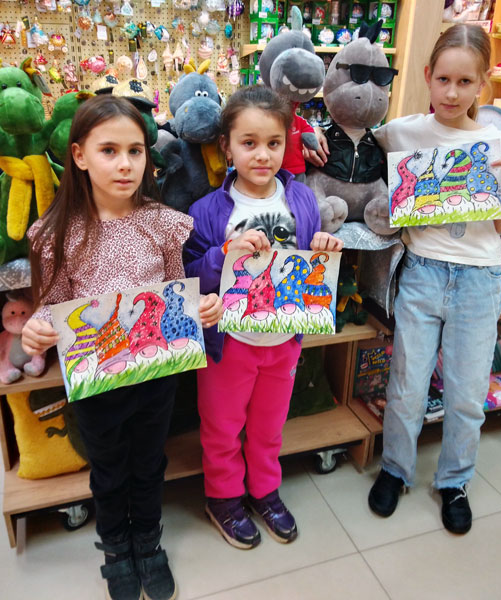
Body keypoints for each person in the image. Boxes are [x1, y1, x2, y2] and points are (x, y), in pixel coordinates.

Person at [21, 94, 223, 600]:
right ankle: (116, 548)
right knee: (109, 469)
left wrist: (200, 308)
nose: (126, 164)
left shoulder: (160, 222)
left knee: (150, 462)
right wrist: (37, 330)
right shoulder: (61, 233)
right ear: (79, 155)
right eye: (109, 151)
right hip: (98, 384)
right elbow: (52, 305)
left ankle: (148, 543)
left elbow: (175, 290)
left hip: (156, 374)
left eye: (135, 151)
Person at [368, 24, 501, 534]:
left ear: (483, 83)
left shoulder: (494, 141)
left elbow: (498, 225)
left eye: (465, 82)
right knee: (407, 384)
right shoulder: (403, 132)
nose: (453, 93)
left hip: (479, 279)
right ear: (427, 76)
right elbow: (358, 140)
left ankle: (454, 481)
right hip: (423, 273)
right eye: (443, 79)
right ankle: (395, 469)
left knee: (465, 392)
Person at [183, 85, 344, 549]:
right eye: (249, 143)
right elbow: (189, 275)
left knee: (269, 426)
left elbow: (310, 265)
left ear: (286, 143)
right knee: (222, 427)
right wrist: (222, 254)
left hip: (283, 341)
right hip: (229, 344)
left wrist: (324, 249)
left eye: (273, 143)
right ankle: (223, 497)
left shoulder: (302, 200)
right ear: (226, 146)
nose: (262, 155)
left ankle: (264, 490)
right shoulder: (206, 210)